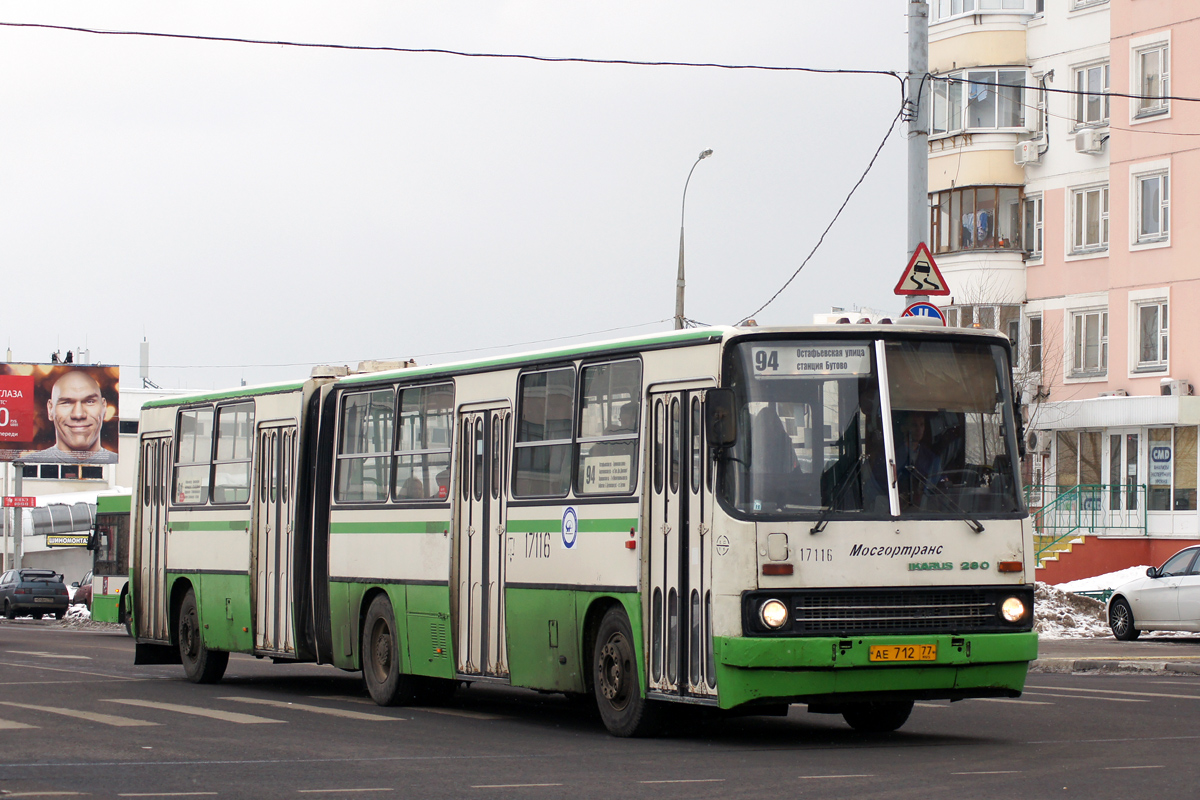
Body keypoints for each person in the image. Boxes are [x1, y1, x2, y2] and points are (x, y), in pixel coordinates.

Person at [26, 371, 117, 463]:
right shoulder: (25, 467)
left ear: (104, 407)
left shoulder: (122, 466)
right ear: (50, 409)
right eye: (66, 403)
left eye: (90, 402)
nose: (78, 414)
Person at [894, 411, 941, 508]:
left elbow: (938, 486)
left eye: (922, 425)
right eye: (914, 425)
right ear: (903, 428)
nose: (919, 429)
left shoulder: (932, 459)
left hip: (925, 510)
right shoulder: (891, 456)